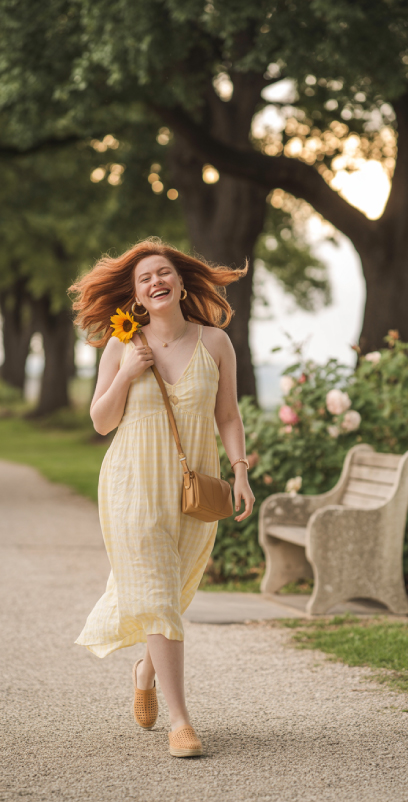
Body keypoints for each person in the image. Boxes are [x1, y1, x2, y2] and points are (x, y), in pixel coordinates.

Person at [69, 238, 255, 758]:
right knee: (155, 590)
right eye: (144, 277)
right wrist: (128, 372)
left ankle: (145, 670)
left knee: (172, 594)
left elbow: (228, 417)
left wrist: (240, 472)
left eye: (163, 272)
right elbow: (102, 422)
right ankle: (181, 722)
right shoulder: (120, 346)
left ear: (179, 281)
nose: (155, 281)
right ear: (135, 295)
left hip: (193, 487)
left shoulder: (216, 343)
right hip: (132, 484)